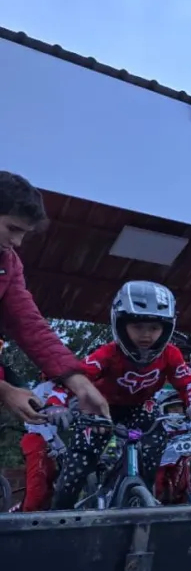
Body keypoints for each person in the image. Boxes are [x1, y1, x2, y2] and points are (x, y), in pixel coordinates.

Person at [46, 280, 191, 509]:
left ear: (166, 328)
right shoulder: (107, 353)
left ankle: (141, 496)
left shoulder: (171, 354)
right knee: (77, 466)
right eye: (138, 326)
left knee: (155, 441)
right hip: (100, 409)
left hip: (139, 408)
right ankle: (59, 517)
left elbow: (187, 381)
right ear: (121, 325)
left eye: (154, 328)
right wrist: (56, 403)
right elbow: (76, 377)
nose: (146, 335)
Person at [0, 171, 109, 423]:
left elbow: (28, 323)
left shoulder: (9, 262)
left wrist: (79, 382)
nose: (18, 241)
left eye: (24, 233)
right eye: (12, 228)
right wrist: (4, 391)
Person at [16, 374, 64, 512]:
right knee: (37, 483)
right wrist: (51, 442)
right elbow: (37, 420)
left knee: (49, 484)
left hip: (45, 439)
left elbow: (50, 426)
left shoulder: (58, 390)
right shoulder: (44, 389)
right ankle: (28, 518)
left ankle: (43, 515)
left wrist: (60, 446)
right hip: (36, 438)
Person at [153, 385, 191, 505]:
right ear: (164, 410)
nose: (177, 411)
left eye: (179, 408)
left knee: (183, 483)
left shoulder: (187, 424)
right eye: (172, 408)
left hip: (180, 460)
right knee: (158, 484)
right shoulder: (157, 425)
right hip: (161, 462)